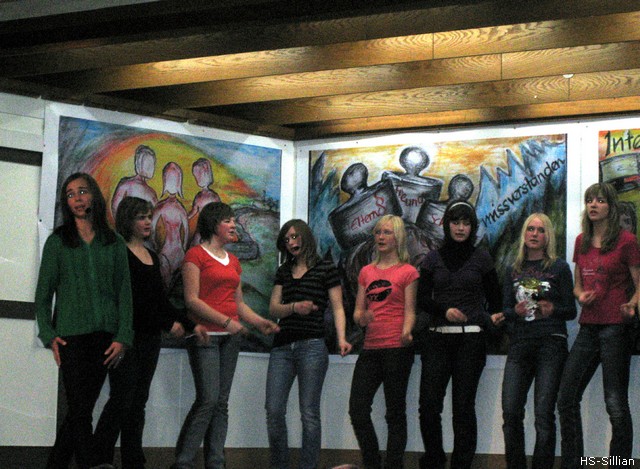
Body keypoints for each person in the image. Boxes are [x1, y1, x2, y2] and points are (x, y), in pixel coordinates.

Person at [35, 172, 134, 469]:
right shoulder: (57, 242)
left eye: (82, 191)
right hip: (71, 339)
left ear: (94, 196)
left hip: (106, 339)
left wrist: (123, 336)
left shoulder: (114, 242)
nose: (77, 199)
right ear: (66, 203)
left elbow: (124, 293)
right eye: (70, 194)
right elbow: (43, 296)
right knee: (80, 412)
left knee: (80, 412)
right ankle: (92, 464)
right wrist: (49, 334)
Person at [172, 201, 280, 469]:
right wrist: (226, 322)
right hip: (205, 337)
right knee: (208, 400)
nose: (234, 225)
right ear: (213, 225)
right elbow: (192, 300)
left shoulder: (233, 261)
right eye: (228, 221)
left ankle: (216, 462)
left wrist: (259, 323)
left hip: (229, 339)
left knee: (221, 403)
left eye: (234, 220)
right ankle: (183, 462)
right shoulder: (195, 255)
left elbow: (238, 304)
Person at [92, 196, 191, 468]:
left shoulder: (152, 256)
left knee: (138, 401)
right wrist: (168, 324)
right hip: (125, 337)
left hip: (149, 339)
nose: (148, 222)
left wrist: (188, 323)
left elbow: (159, 300)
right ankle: (99, 458)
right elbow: (131, 301)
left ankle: (133, 460)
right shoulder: (118, 252)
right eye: (141, 217)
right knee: (122, 398)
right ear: (128, 221)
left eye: (149, 217)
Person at [557, 183, 640, 469]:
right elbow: (577, 285)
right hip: (589, 326)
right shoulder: (581, 240)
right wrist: (580, 295)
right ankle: (574, 463)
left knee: (615, 403)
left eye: (600, 200)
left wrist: (633, 304)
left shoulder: (627, 241)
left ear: (611, 206)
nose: (593, 205)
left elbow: (639, 285)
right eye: (589, 200)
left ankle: (619, 463)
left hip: (617, 327)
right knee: (566, 398)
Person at [416, 200, 502, 469]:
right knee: (429, 405)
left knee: (463, 407)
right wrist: (444, 310)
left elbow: (496, 301)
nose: (461, 228)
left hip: (470, 340)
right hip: (437, 338)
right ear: (447, 225)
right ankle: (434, 459)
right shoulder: (432, 258)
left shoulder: (482, 258)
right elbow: (421, 299)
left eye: (466, 223)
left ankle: (461, 464)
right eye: (456, 222)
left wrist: (490, 319)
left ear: (472, 227)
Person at [266, 219, 352, 469]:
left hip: (312, 345)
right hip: (282, 346)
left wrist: (342, 338)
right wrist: (294, 307)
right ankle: (279, 465)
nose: (291, 242)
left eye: (295, 236)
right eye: (286, 239)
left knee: (309, 413)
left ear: (306, 236)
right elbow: (274, 308)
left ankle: (308, 466)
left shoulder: (325, 268)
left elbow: (338, 308)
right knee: (273, 410)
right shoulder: (284, 270)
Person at [497, 213, 577, 469]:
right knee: (511, 412)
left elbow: (571, 311)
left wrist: (552, 309)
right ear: (524, 234)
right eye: (530, 229)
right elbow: (505, 311)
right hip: (520, 344)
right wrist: (515, 312)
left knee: (543, 414)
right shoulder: (513, 269)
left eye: (540, 230)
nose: (534, 234)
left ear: (548, 236)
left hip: (551, 343)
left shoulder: (559, 267)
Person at [348, 214, 418, 469]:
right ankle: (372, 463)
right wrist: (362, 317)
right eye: (378, 232)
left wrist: (407, 332)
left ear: (398, 237)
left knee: (395, 413)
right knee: (357, 409)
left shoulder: (408, 272)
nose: (380, 237)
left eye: (387, 232)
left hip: (397, 350)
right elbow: (357, 312)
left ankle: (394, 465)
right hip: (371, 349)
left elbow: (410, 311)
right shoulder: (366, 272)